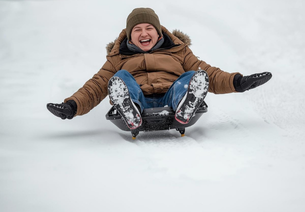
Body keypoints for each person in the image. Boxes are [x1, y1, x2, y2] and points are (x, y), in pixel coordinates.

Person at [47, 8, 272, 130]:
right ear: (129, 34)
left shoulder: (178, 51)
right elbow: (95, 86)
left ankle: (185, 107)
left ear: (158, 32)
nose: (144, 33)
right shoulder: (118, 57)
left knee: (194, 76)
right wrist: (72, 106)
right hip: (139, 100)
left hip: (171, 99)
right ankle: (129, 109)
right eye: (137, 29)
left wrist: (238, 82)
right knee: (120, 77)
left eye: (149, 28)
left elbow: (210, 75)